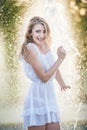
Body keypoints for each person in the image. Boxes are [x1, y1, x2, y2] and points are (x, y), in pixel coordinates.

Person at [20, 16, 70, 130]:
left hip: (49, 96)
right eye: (38, 31)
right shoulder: (30, 49)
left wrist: (62, 84)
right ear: (30, 33)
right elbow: (44, 77)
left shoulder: (45, 46)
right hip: (37, 97)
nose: (42, 35)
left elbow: (53, 68)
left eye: (44, 32)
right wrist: (60, 59)